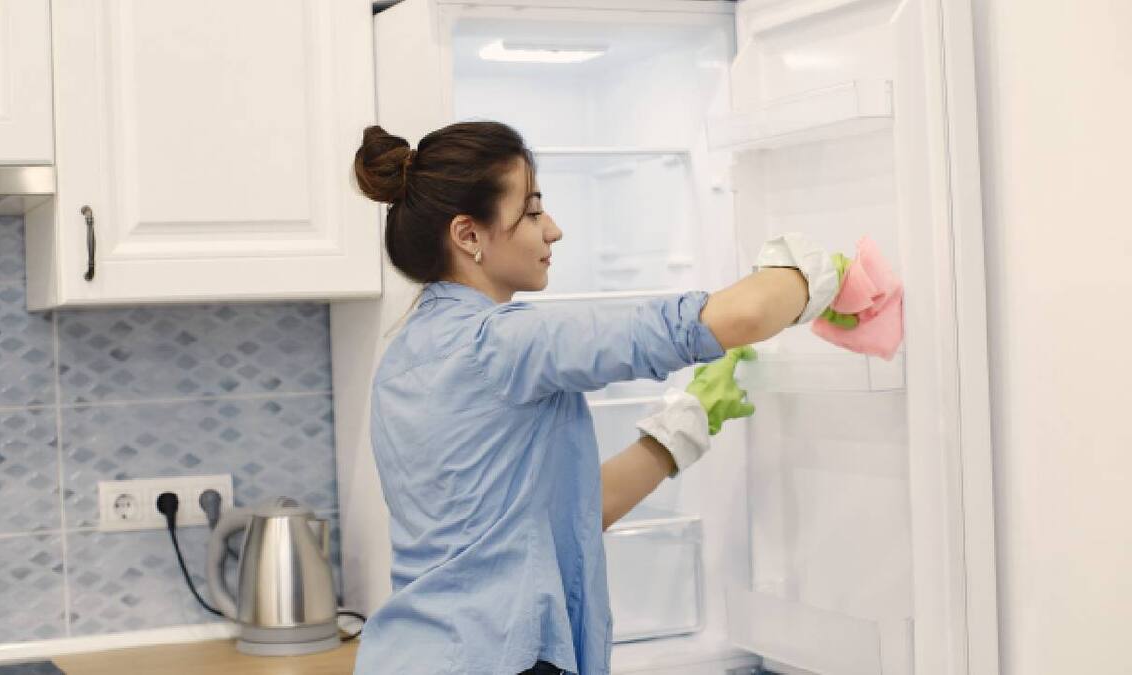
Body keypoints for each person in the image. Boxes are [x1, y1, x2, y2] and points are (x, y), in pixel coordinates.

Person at [350, 121, 846, 675]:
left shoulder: (404, 356)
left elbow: (568, 514)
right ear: (469, 236)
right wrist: (816, 273)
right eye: (532, 211)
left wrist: (685, 426)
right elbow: (737, 317)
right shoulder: (503, 343)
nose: (553, 230)